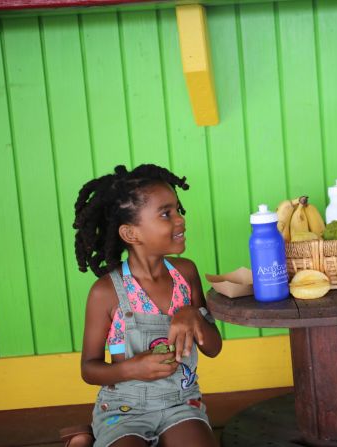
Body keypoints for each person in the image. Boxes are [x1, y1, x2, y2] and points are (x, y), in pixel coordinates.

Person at [71, 164, 222, 447]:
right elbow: (89, 369)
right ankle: (83, 439)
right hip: (123, 410)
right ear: (130, 234)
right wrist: (131, 369)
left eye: (178, 210)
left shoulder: (186, 274)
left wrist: (193, 315)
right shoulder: (106, 293)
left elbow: (213, 348)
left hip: (181, 403)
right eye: (166, 213)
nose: (180, 220)